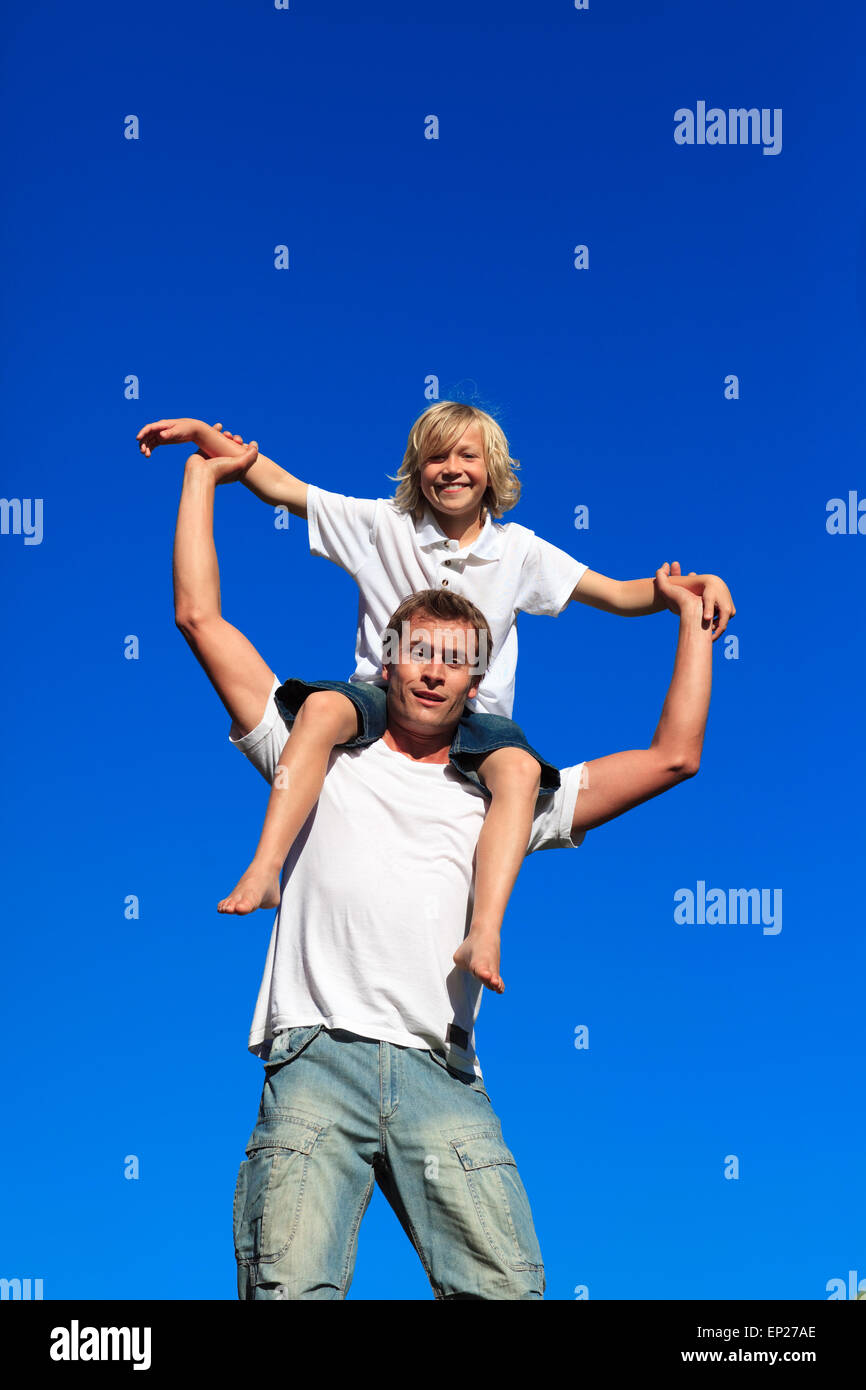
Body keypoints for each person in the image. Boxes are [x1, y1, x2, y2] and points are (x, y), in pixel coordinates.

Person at [171, 442, 717, 1300]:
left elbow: (673, 757)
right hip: (317, 1061)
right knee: (288, 1289)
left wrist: (691, 620)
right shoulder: (317, 755)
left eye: (456, 659)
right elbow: (201, 620)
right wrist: (201, 479)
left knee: (505, 1293)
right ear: (385, 664)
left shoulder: (507, 793)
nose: (434, 669)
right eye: (418, 652)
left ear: (479, 684)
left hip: (444, 1075)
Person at [140, 406, 734, 996]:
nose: (451, 469)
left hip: (481, 726)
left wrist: (682, 594)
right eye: (436, 456)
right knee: (319, 710)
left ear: (493, 471)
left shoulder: (520, 551)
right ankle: (267, 865)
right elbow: (279, 487)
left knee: (522, 773)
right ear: (415, 469)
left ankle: (485, 930)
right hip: (372, 697)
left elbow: (620, 596)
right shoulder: (383, 525)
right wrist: (203, 443)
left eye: (467, 456)